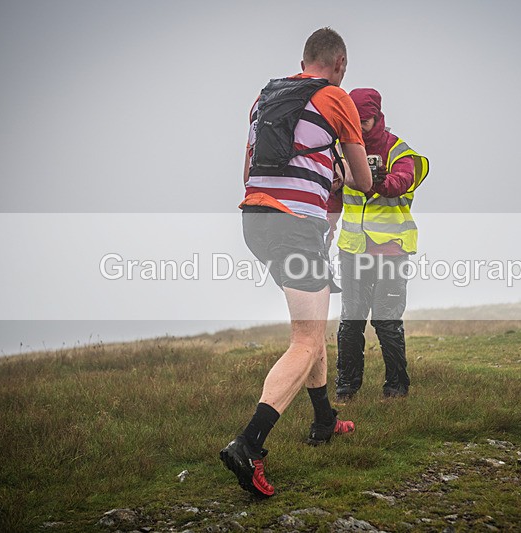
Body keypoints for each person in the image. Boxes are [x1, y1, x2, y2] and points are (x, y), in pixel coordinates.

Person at [220, 28, 373, 497]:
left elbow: (248, 172)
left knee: (313, 322)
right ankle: (249, 444)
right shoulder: (336, 98)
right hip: (294, 225)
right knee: (305, 340)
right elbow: (363, 181)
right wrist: (342, 172)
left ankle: (324, 419)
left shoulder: (264, 98)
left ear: (302, 59)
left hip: (255, 220)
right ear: (340, 62)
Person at [334, 88, 429, 402]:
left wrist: (365, 179)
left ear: (378, 116)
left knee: (387, 321)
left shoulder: (399, 151)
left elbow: (400, 183)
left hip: (391, 249)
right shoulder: (340, 149)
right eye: (354, 120)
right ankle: (346, 390)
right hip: (351, 249)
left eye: (366, 120)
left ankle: (396, 389)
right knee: (351, 321)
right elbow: (332, 196)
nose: (360, 126)